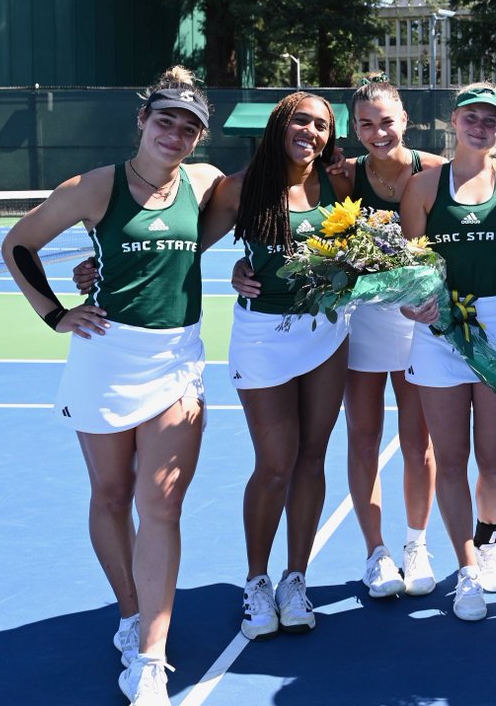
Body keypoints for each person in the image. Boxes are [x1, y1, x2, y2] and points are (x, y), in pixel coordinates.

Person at [2, 67, 222, 704]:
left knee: (162, 507)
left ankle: (151, 656)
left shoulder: (204, 184)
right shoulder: (94, 187)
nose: (175, 135)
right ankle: (131, 614)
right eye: (165, 121)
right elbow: (19, 244)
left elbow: (274, 189)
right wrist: (56, 314)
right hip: (104, 355)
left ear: (199, 137)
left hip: (177, 359)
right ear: (142, 123)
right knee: (111, 492)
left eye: (189, 127)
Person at [233, 76, 450, 599]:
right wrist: (245, 263)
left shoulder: (436, 172)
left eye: (388, 121)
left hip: (422, 318)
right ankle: (376, 554)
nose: (378, 132)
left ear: (406, 120)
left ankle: (415, 545)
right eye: (367, 124)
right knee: (363, 437)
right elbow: (302, 233)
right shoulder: (345, 175)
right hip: (359, 320)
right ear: (354, 129)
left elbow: (491, 200)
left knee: (420, 442)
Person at [202, 92, 353, 642]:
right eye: (301, 119)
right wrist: (99, 267)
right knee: (274, 463)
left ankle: (296, 580)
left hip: (327, 333)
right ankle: (257, 582)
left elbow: (411, 167)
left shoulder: (340, 182)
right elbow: (178, 245)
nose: (310, 131)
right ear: (280, 124)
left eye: (321, 125)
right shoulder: (241, 188)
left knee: (312, 456)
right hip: (263, 336)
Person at [398, 83, 496, 620]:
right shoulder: (424, 186)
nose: (481, 126)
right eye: (471, 116)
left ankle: (491, 540)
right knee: (451, 461)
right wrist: (416, 306)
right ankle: (467, 570)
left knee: (495, 462)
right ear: (454, 121)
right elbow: (412, 268)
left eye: (492, 119)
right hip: (440, 333)